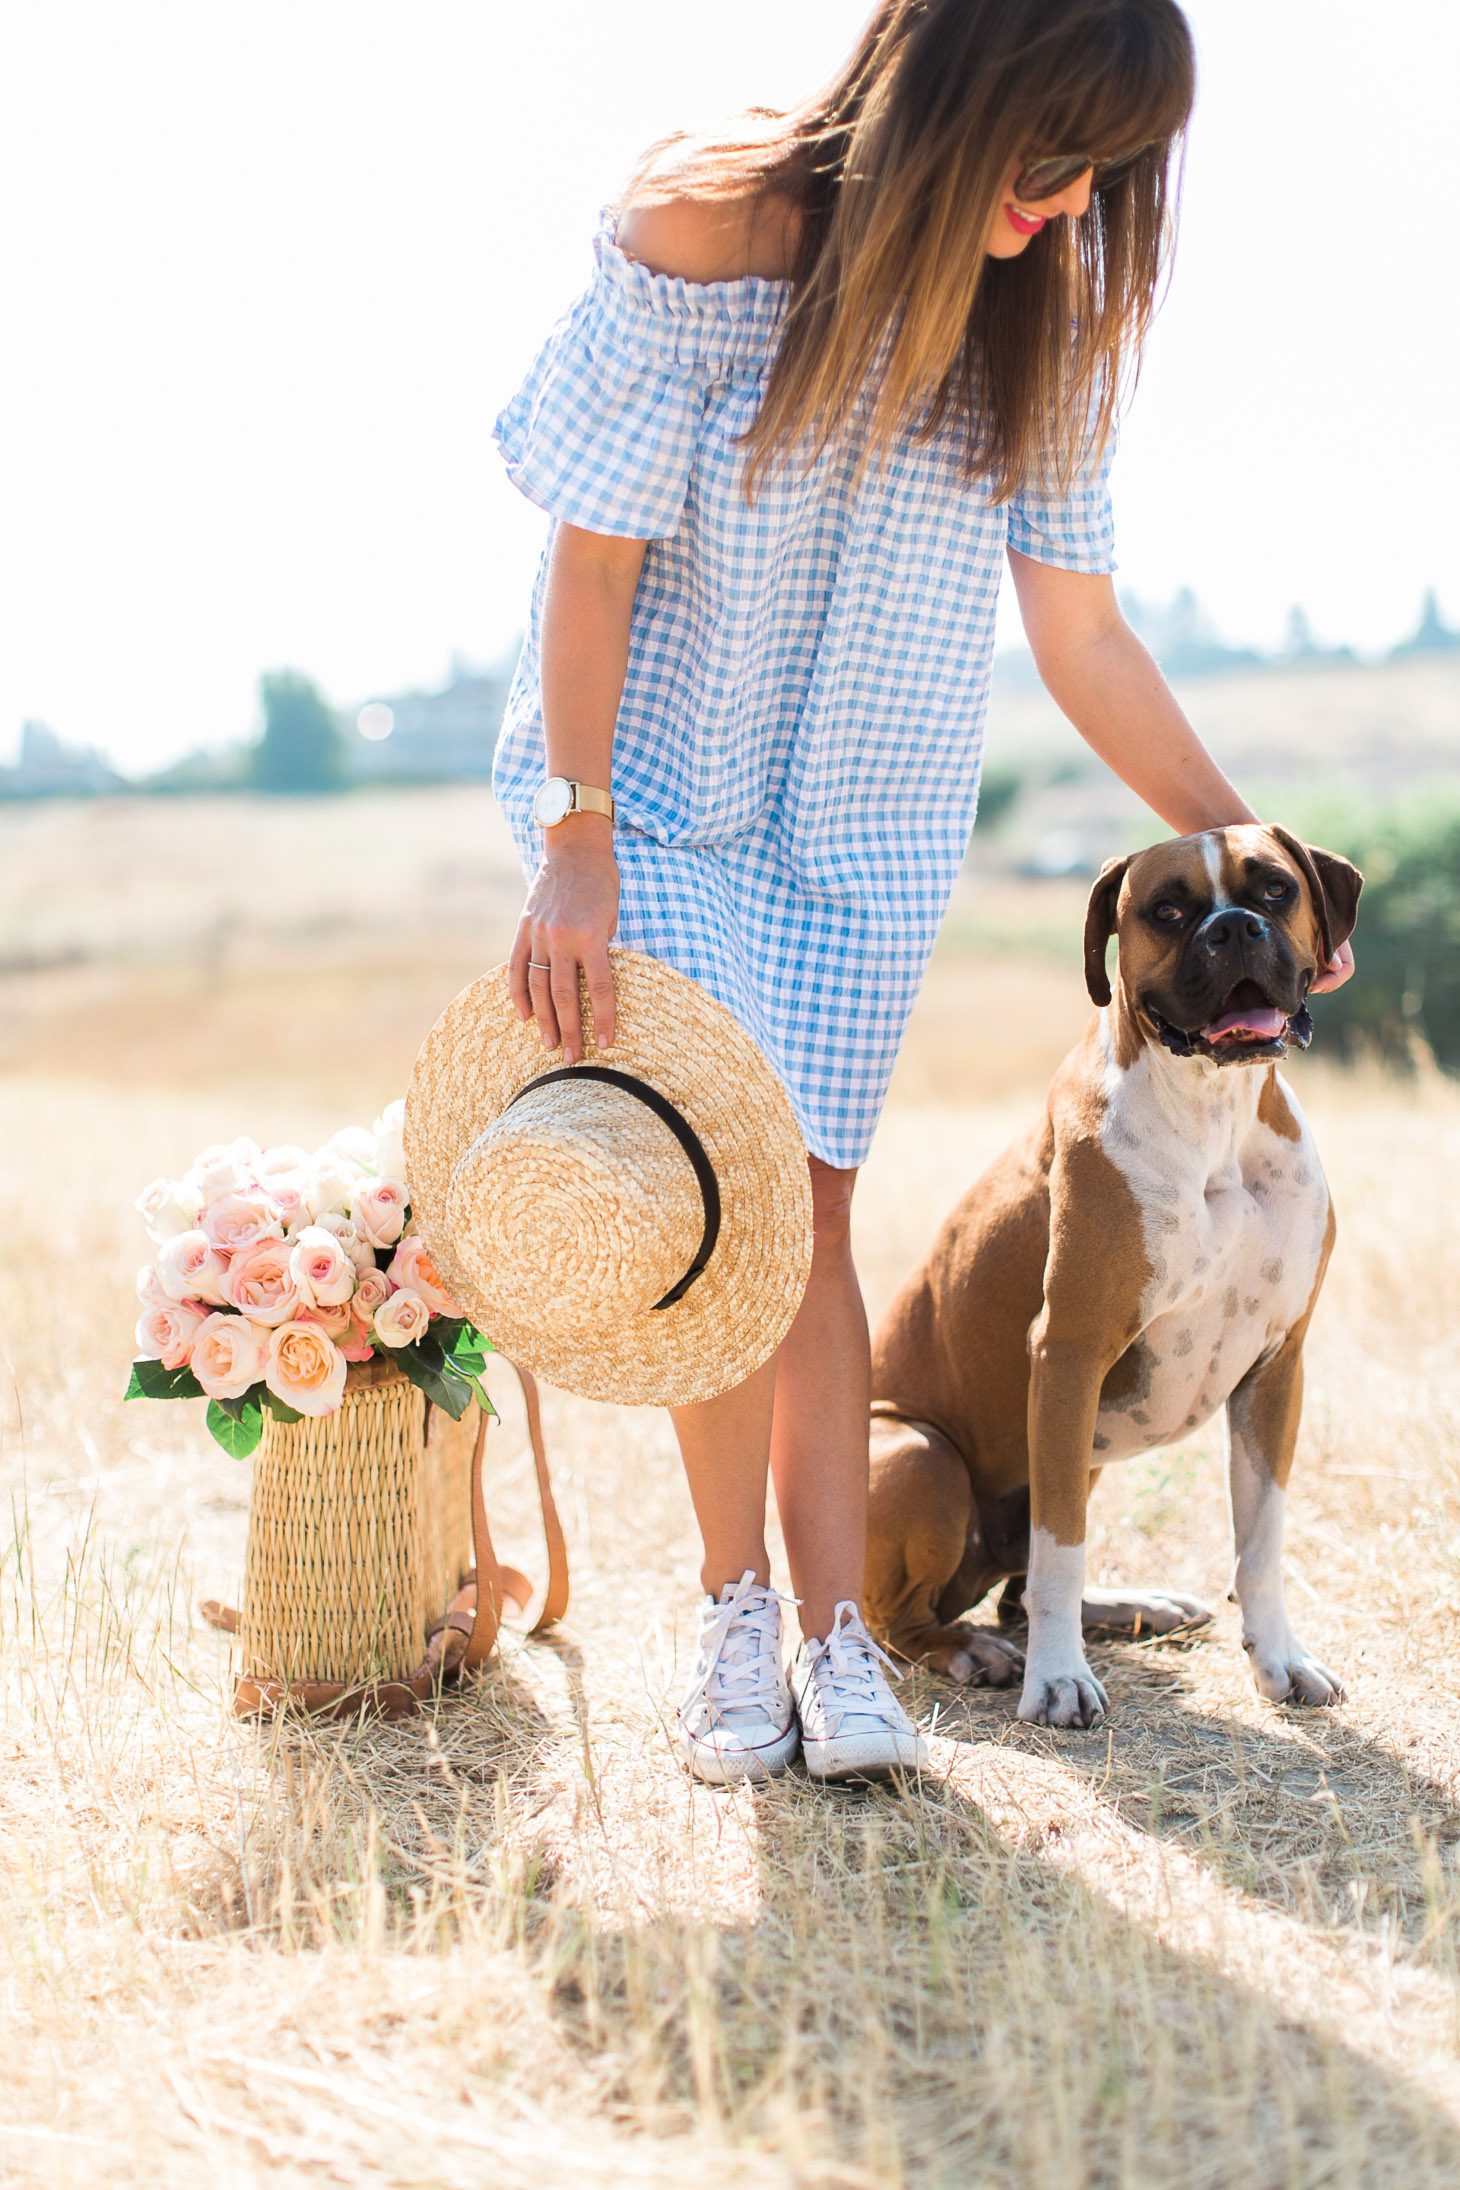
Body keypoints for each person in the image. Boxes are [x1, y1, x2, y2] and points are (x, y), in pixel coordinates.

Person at [488, 0, 1354, 1787]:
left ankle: (832, 1637)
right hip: (650, 790)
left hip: (858, 835)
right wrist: (579, 834)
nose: (1071, 196)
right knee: (712, 1190)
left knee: (805, 1209)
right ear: (953, 85)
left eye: (1106, 166)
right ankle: (740, 1616)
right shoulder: (710, 227)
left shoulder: (1047, 317)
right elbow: (590, 562)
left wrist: (1263, 873)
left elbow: (1084, 635)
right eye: (1051, 145)